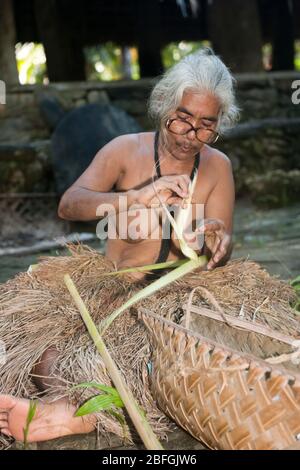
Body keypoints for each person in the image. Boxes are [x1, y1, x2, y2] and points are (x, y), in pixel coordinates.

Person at [0, 48, 239, 443]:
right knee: (51, 356)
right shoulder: (125, 150)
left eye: (205, 126)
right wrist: (134, 198)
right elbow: (70, 203)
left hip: (178, 299)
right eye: (182, 119)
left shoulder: (217, 166)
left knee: (167, 363)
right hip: (113, 289)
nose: (190, 135)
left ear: (218, 126)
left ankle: (77, 414)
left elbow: (220, 252)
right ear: (164, 106)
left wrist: (217, 239)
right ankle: (74, 409)